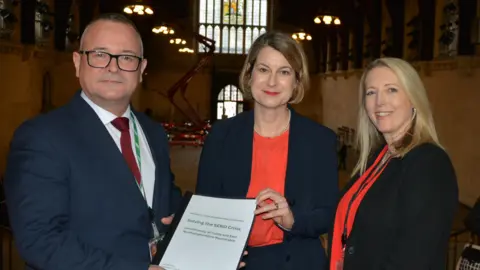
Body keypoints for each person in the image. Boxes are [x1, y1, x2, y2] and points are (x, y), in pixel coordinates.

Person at [4, 13, 181, 270]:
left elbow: (162, 204)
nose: (113, 67)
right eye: (100, 54)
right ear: (77, 62)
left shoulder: (152, 132)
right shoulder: (41, 137)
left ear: (141, 70)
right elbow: (40, 240)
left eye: (127, 57)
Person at [196, 31, 339, 270]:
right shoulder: (221, 136)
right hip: (236, 264)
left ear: (296, 81)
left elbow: (329, 213)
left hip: (298, 262)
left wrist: (293, 220)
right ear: (249, 74)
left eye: (284, 72)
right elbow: (205, 209)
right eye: (263, 69)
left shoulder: (320, 140)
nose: (272, 82)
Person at [329, 57, 458, 270]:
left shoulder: (429, 164)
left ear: (413, 99)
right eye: (371, 92)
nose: (380, 102)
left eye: (391, 90)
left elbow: (414, 259)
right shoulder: (379, 157)